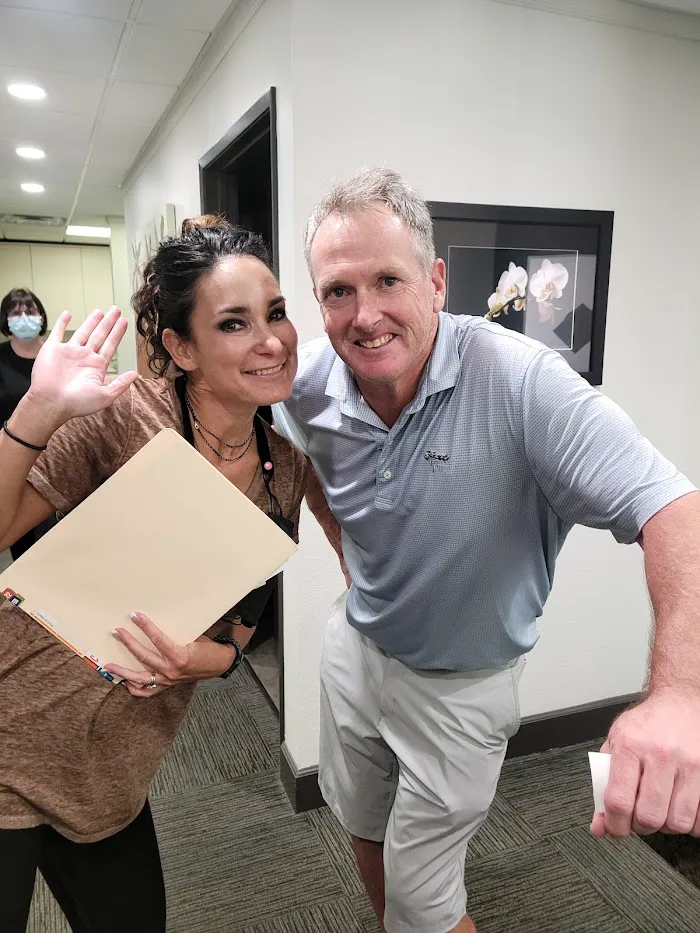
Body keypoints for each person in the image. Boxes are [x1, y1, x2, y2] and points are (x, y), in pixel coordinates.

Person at [273, 168, 700, 933]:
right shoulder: (307, 382)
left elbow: (676, 509)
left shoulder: (522, 383)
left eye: (388, 280)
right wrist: (346, 549)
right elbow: (290, 455)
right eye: (339, 291)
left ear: (436, 282)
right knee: (361, 823)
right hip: (356, 647)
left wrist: (679, 695)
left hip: (460, 687)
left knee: (427, 901)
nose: (365, 315)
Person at [0, 216, 307, 933]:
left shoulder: (285, 473)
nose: (271, 340)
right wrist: (38, 412)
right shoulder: (122, 416)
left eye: (276, 313)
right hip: (11, 736)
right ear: (180, 346)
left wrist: (203, 660)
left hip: (113, 771)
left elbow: (243, 625)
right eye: (234, 323)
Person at [0, 287, 56, 560]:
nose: (23, 317)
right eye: (15, 312)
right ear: (5, 319)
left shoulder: (56, 355)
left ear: (41, 315)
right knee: (22, 543)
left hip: (56, 456)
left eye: (30, 310)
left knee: (55, 536)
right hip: (12, 458)